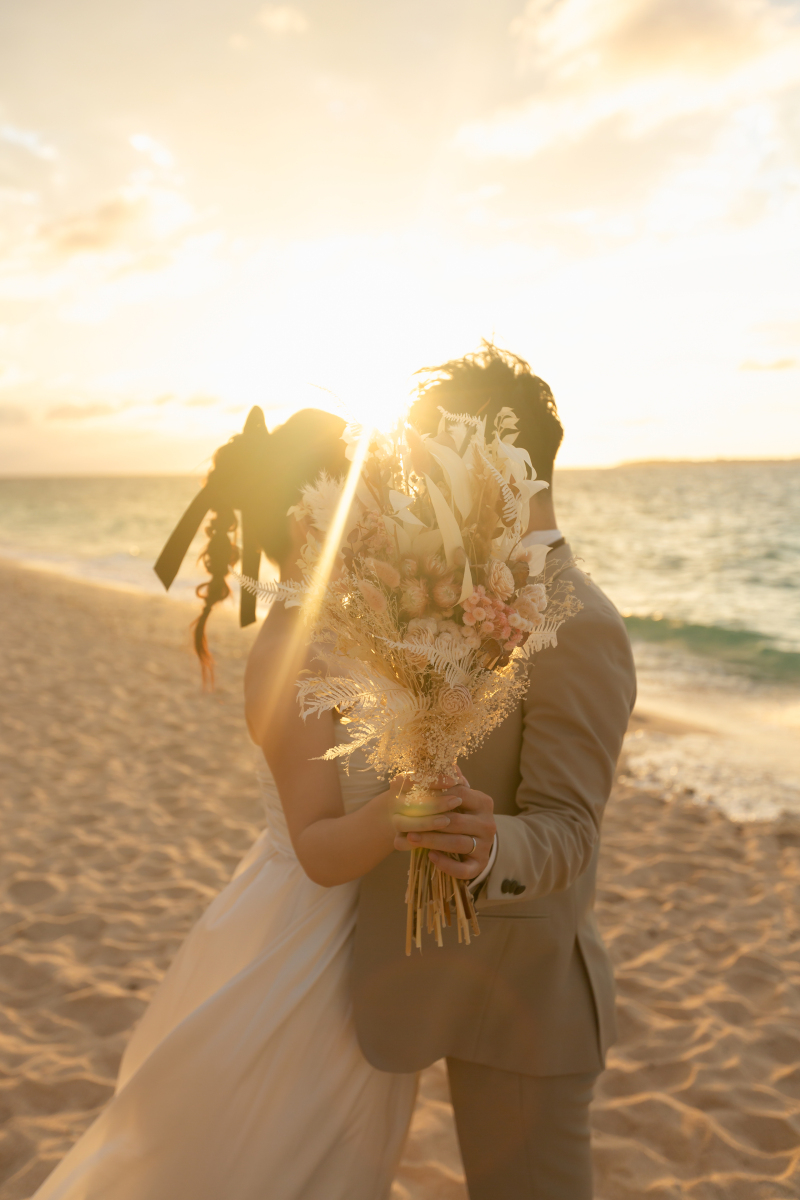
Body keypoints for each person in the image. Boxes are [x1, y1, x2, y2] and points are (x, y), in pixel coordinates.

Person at [31, 406, 494, 1200]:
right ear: (311, 517)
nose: (379, 514)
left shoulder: (364, 627)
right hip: (310, 957)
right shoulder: (290, 646)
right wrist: (404, 811)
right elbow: (317, 847)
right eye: (364, 497)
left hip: (369, 947)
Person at [353, 342, 637, 1199]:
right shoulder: (446, 587)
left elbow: (569, 831)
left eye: (432, 460)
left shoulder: (580, 621)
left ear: (496, 458)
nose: (416, 484)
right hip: (432, 978)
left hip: (525, 1007)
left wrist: (487, 848)